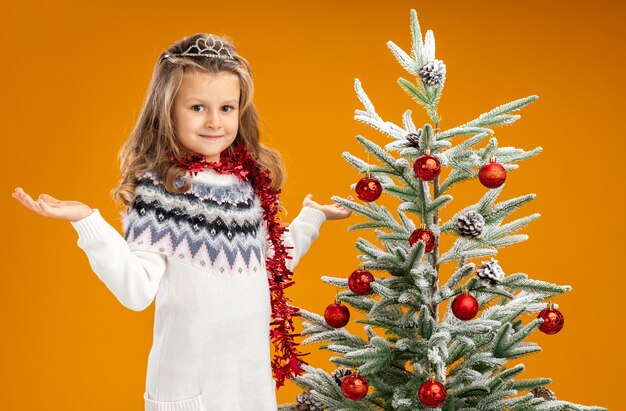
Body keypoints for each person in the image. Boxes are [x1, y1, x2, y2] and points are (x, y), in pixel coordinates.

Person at [11, 33, 354, 411]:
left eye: (227, 108)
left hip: (250, 391)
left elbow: (269, 266)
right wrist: (87, 222)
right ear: (168, 109)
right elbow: (136, 290)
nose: (214, 122)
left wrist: (311, 218)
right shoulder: (161, 192)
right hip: (190, 393)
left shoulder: (248, 185)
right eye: (197, 107)